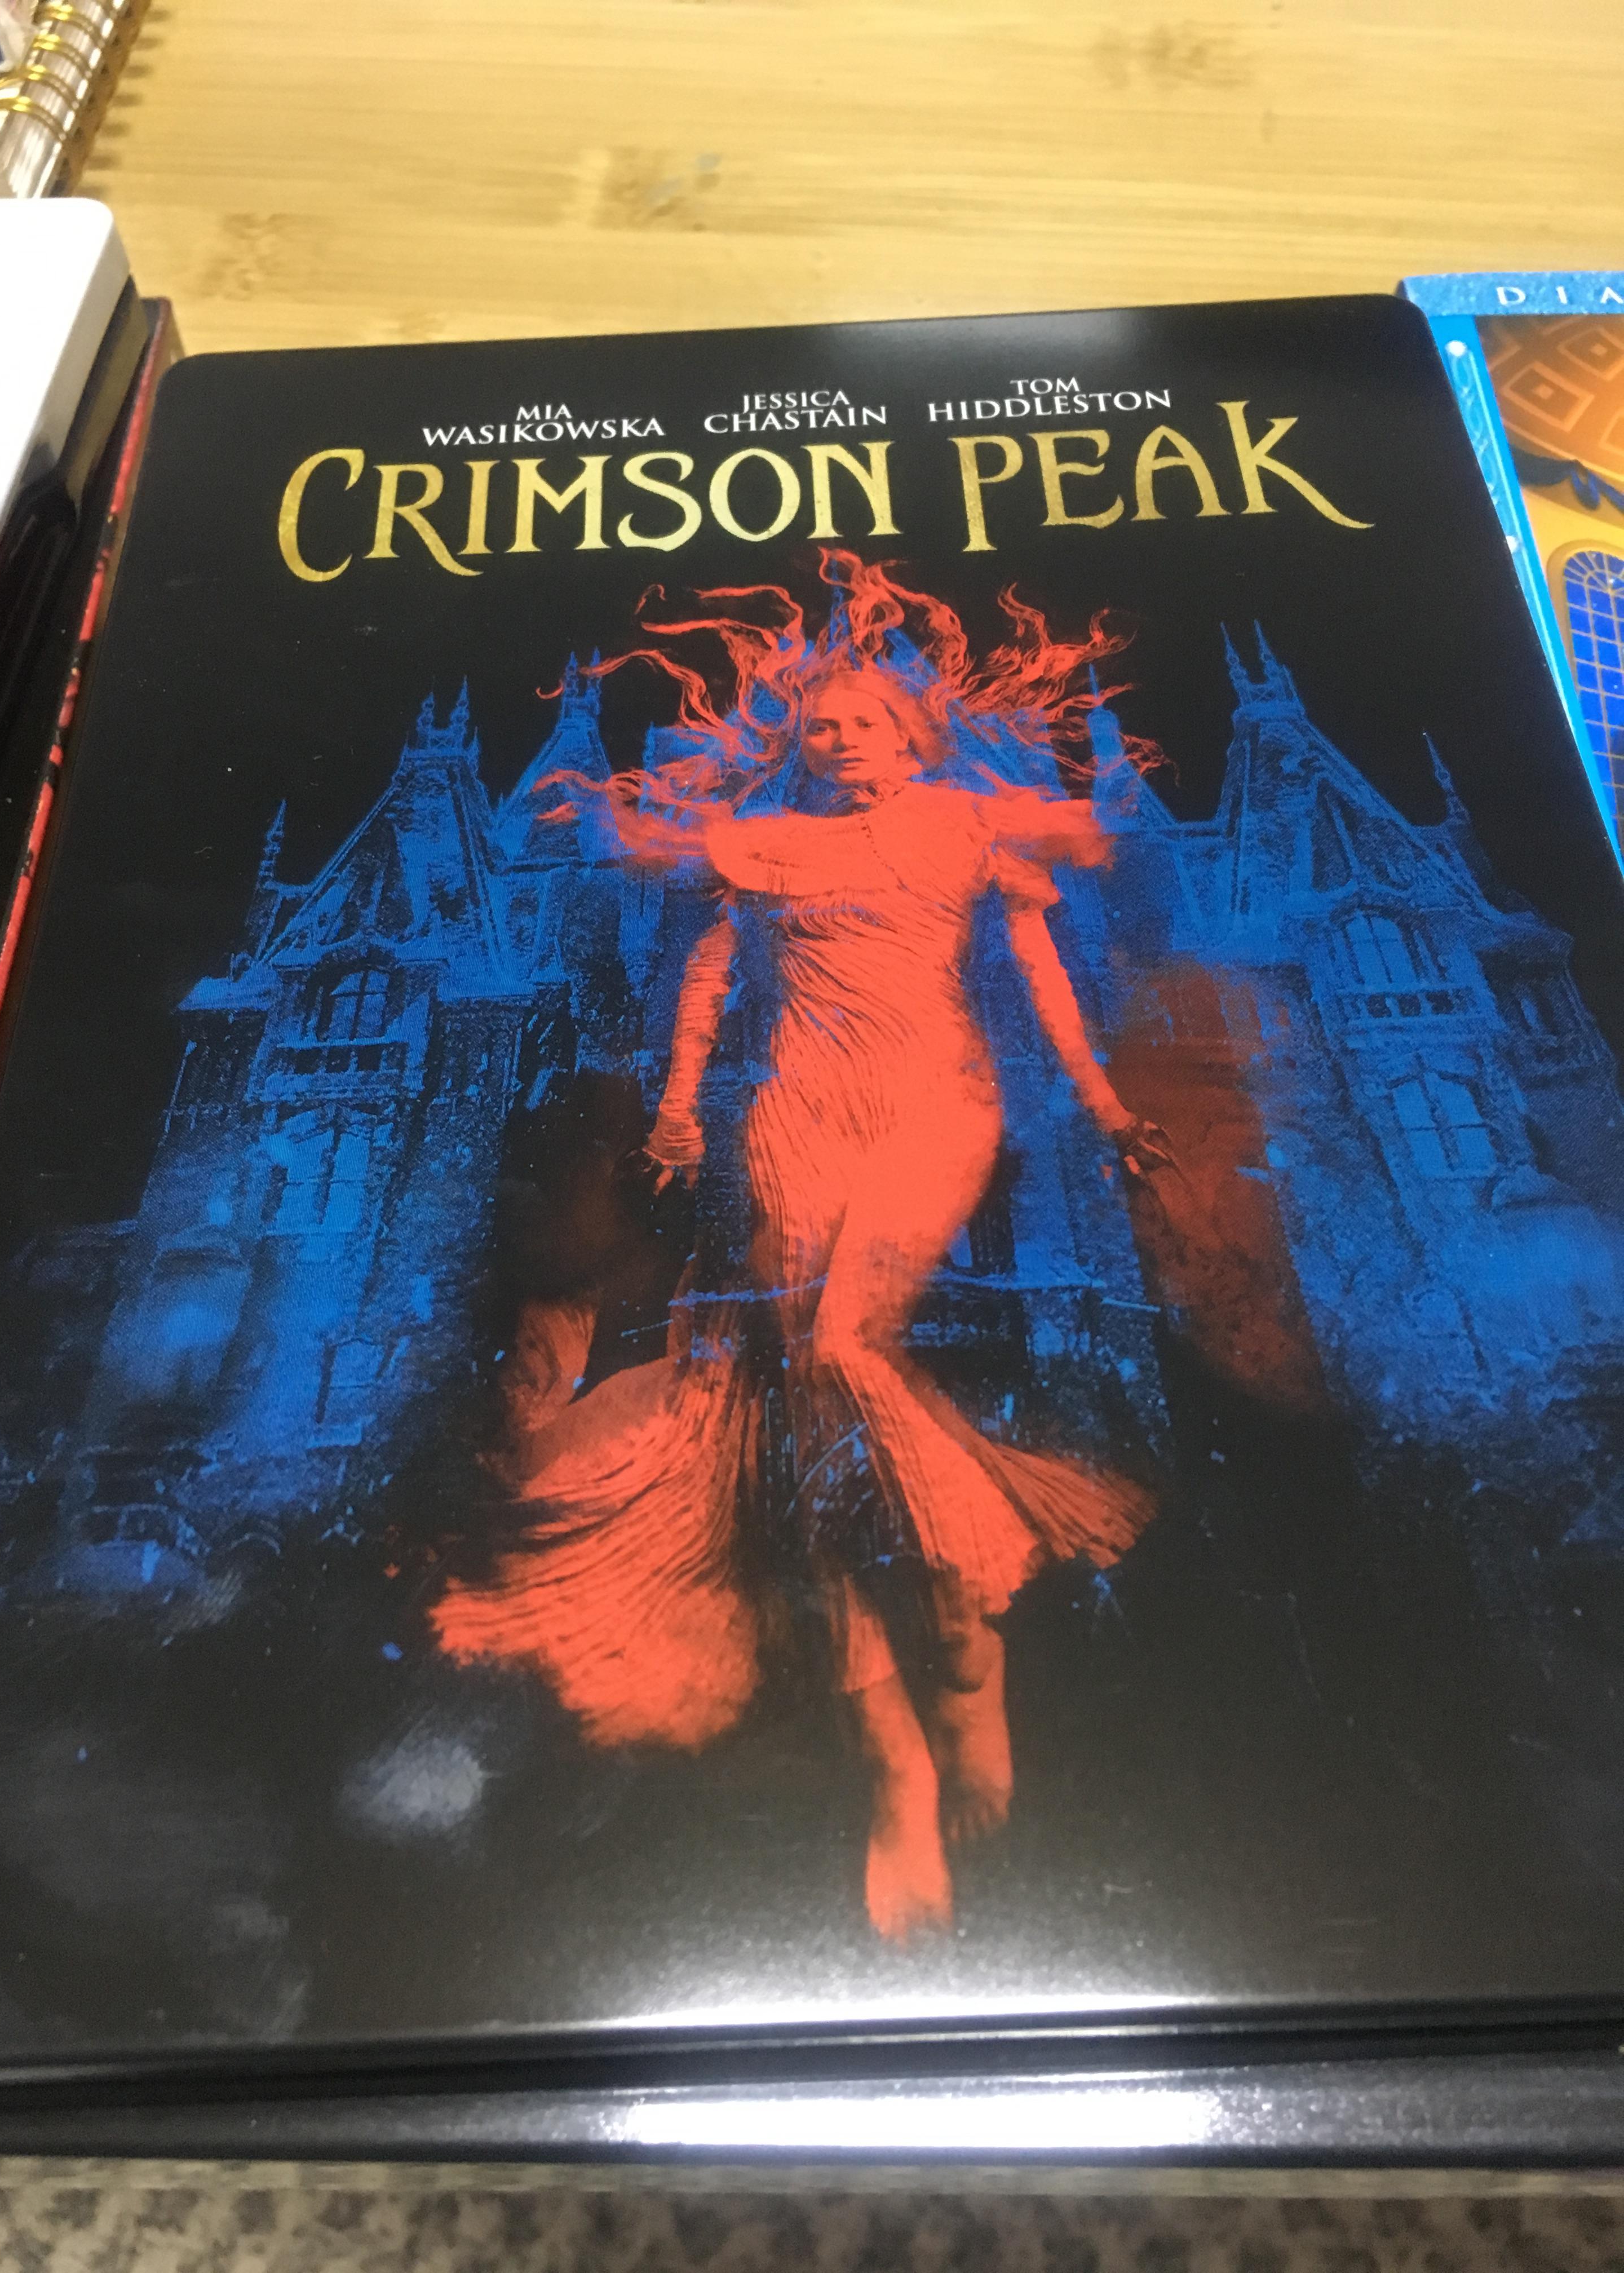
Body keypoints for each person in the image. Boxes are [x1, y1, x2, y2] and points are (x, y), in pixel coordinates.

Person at [433, 556, 1165, 1941]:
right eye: (821, 726)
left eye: (864, 721)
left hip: (936, 1100)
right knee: (798, 1428)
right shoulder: (767, 846)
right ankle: (893, 1756)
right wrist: (676, 1110)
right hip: (796, 1114)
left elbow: (1046, 961)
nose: (840, 738)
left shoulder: (968, 825)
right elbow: (711, 968)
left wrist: (1111, 1105)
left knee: (840, 1345)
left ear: (911, 735)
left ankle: (968, 1643)